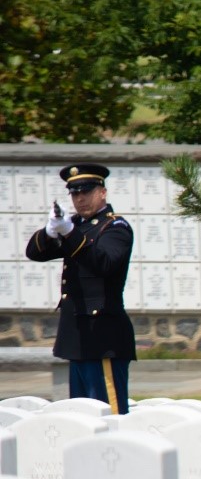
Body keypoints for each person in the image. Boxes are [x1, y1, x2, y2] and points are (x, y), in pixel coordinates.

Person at [25, 164, 136, 413]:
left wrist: (70, 233)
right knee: (82, 414)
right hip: (78, 336)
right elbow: (33, 252)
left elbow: (104, 263)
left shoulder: (116, 228)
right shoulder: (74, 225)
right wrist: (50, 232)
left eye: (86, 192)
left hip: (103, 336)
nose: (80, 199)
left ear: (103, 193)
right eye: (75, 194)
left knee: (109, 413)